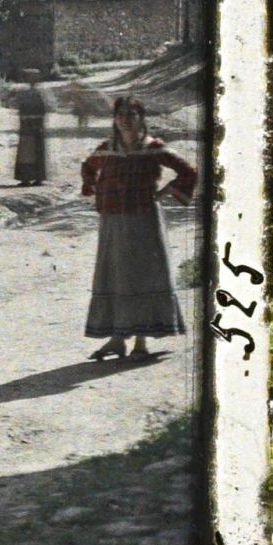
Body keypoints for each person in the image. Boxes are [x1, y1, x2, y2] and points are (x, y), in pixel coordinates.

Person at [81, 96, 197, 362]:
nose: (126, 120)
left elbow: (188, 171)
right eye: (121, 114)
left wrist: (167, 191)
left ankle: (141, 343)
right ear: (115, 119)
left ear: (141, 119)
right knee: (116, 274)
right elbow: (88, 168)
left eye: (132, 115)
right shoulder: (106, 149)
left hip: (144, 219)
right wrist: (97, 189)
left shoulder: (153, 149)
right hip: (113, 221)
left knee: (142, 274)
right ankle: (118, 339)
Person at [13, 70, 48, 186]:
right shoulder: (31, 93)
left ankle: (31, 178)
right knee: (30, 152)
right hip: (32, 126)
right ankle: (31, 178)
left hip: (30, 125)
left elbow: (42, 110)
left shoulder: (30, 93)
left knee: (29, 152)